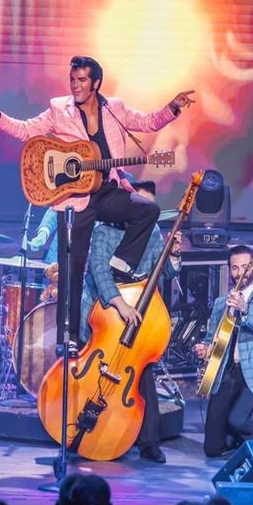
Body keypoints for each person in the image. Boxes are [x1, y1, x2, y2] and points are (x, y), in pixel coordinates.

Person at [0, 55, 194, 345]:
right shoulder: (58, 109)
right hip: (75, 199)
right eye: (72, 80)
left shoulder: (114, 108)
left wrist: (172, 107)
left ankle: (121, 264)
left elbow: (148, 122)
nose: (75, 85)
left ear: (95, 83)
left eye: (82, 80)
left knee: (148, 211)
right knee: (71, 271)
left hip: (107, 191)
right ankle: (70, 338)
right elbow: (27, 130)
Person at [78, 180, 181, 463]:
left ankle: (148, 443)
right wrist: (119, 303)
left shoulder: (155, 234)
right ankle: (83, 430)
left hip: (134, 312)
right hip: (102, 310)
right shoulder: (104, 230)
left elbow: (165, 273)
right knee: (91, 372)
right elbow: (98, 269)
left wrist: (173, 255)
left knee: (142, 372)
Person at [193, 245, 253, 458]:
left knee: (237, 419)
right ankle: (236, 439)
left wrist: (245, 309)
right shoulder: (220, 303)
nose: (240, 272)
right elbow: (211, 339)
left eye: (244, 267)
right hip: (226, 371)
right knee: (212, 448)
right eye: (235, 268)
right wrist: (205, 349)